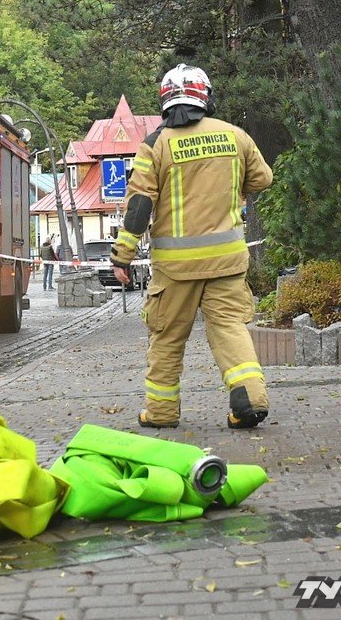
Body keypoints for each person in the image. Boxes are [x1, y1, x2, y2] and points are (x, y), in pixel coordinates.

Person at [110, 64, 274, 430]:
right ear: (206, 97)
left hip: (175, 268)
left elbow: (139, 206)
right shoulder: (235, 135)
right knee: (230, 329)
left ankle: (161, 413)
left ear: (165, 100)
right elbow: (263, 178)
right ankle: (251, 400)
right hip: (227, 262)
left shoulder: (155, 145)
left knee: (167, 338)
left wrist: (122, 255)